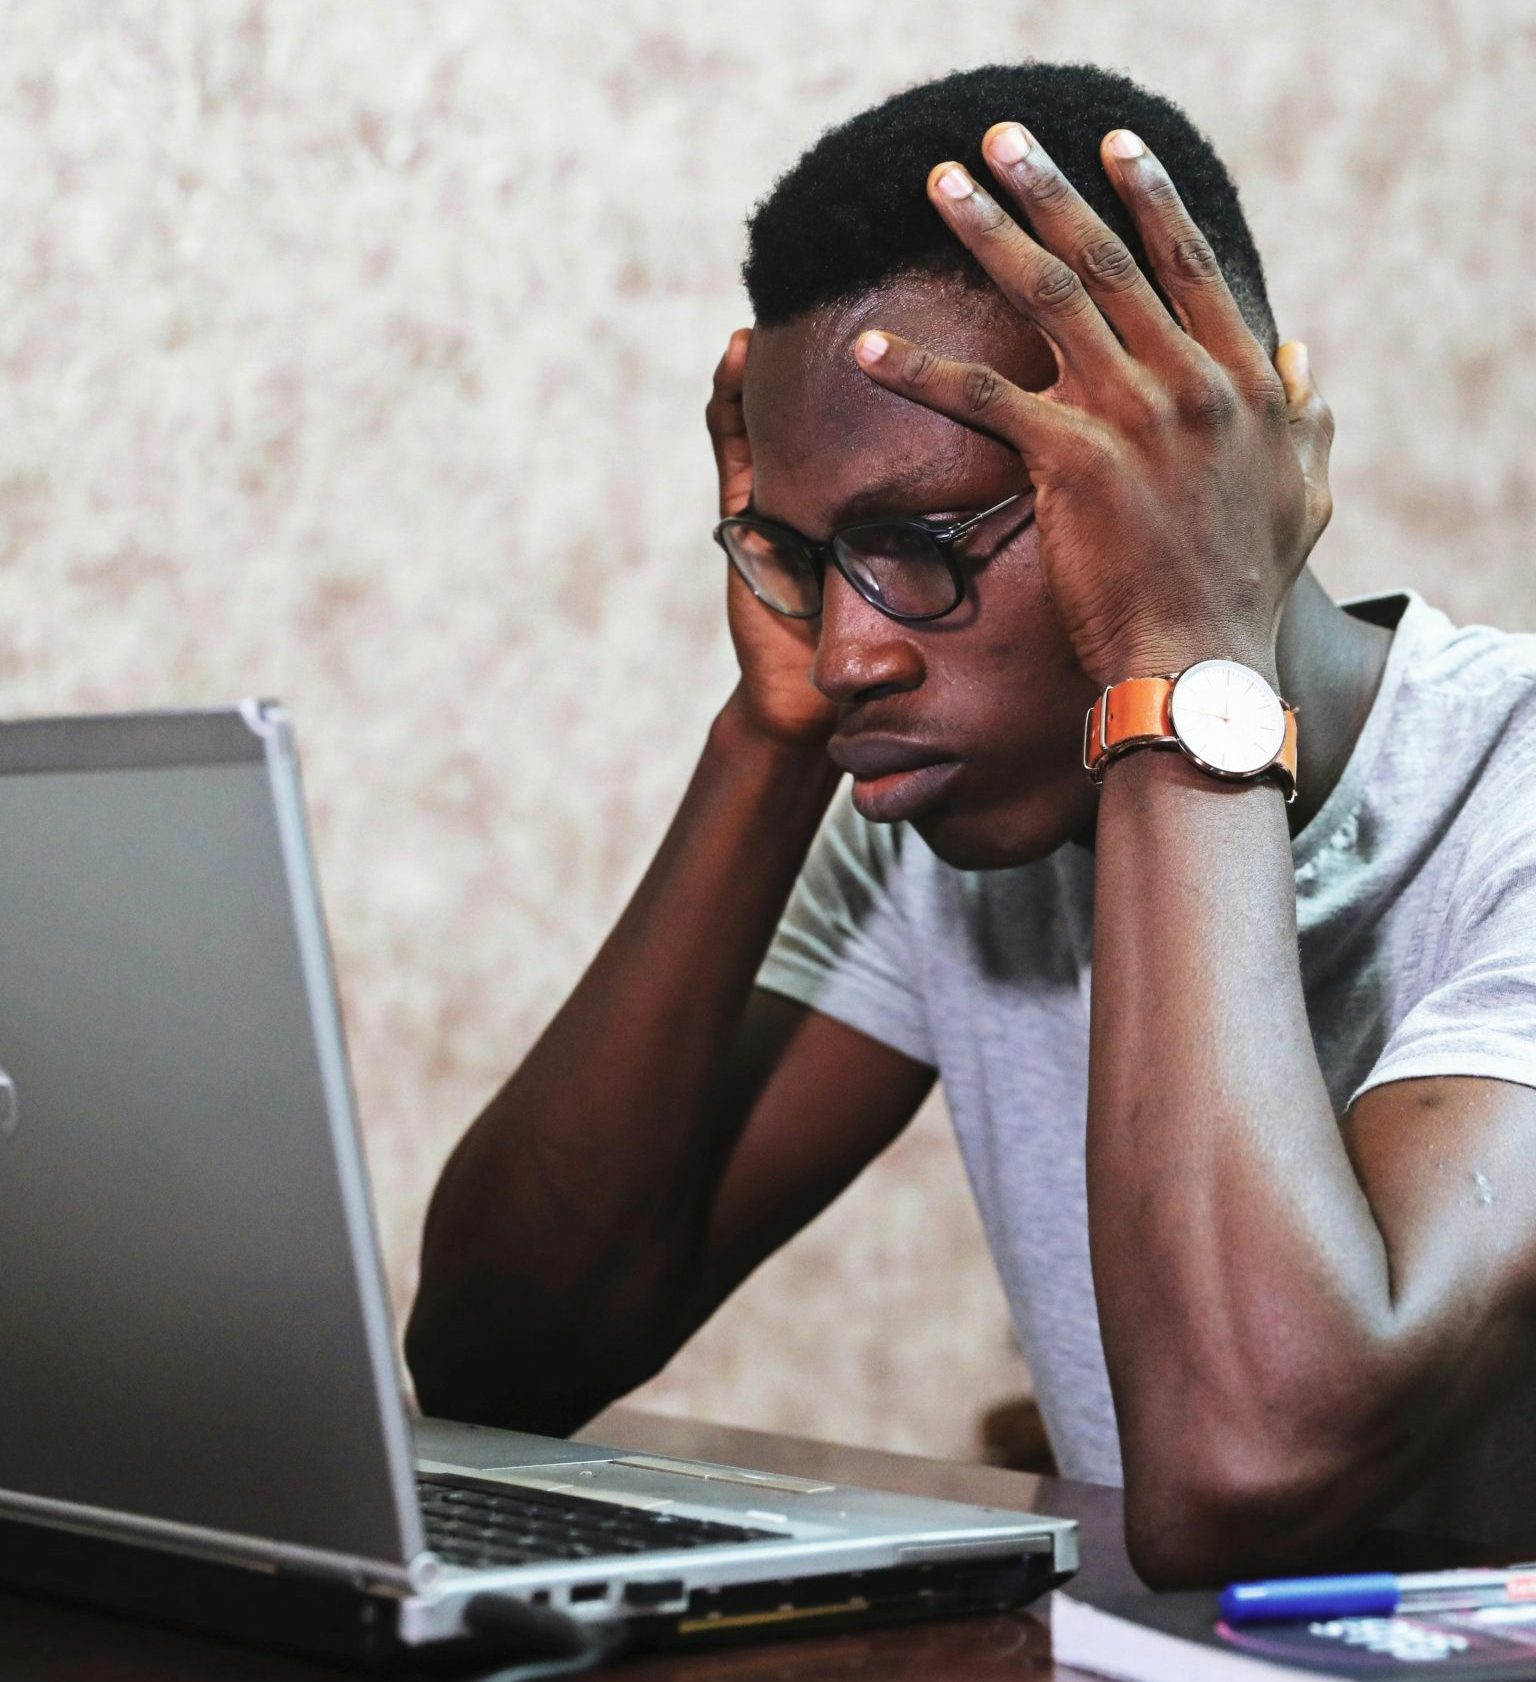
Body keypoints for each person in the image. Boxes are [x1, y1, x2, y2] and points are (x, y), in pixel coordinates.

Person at [405, 62, 1536, 1586]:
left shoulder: (1509, 786)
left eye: (918, 541)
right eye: (804, 557)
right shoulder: (944, 823)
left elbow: (1243, 1468)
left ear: (1204, 467)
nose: (851, 651)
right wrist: (767, 739)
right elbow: (495, 1363)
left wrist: (1178, 662)